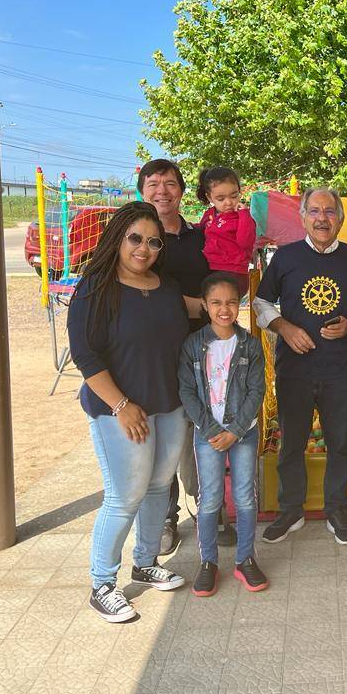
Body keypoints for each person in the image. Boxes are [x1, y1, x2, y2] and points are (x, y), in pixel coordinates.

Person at [67, 201, 189, 623]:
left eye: (154, 242)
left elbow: (193, 316)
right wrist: (121, 405)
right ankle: (102, 584)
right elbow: (86, 357)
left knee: (158, 487)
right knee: (125, 496)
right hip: (118, 410)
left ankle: (146, 562)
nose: (144, 249)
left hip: (169, 405)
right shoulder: (94, 288)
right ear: (117, 238)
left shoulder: (166, 287)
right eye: (135, 238)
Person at [253, 187, 347, 546]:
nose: (322, 218)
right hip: (294, 369)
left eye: (329, 212)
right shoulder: (285, 257)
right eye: (314, 211)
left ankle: (337, 509)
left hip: (338, 368)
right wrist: (284, 327)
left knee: (340, 442)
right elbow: (261, 302)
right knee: (291, 443)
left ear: (340, 219)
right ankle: (290, 510)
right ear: (303, 218)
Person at [178, 272, 267, 597]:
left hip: (244, 433)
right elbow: (187, 392)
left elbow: (257, 391)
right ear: (204, 304)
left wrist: (235, 431)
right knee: (210, 498)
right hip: (208, 434)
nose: (224, 309)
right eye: (216, 302)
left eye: (231, 302)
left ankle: (245, 559)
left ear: (239, 303)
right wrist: (213, 430)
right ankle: (208, 562)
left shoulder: (250, 345)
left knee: (245, 497)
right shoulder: (193, 345)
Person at [137, 158, 210, 555]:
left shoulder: (200, 236)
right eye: (153, 183)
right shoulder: (137, 240)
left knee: (202, 429)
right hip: (157, 350)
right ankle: (165, 517)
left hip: (202, 347)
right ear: (142, 191)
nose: (161, 190)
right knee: (163, 436)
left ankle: (206, 506)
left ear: (181, 191)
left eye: (169, 183)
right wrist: (194, 305)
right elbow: (140, 292)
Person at [196, 166, 257, 289]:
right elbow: (199, 231)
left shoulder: (242, 217)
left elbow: (245, 242)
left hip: (234, 272)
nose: (228, 202)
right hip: (211, 268)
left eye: (234, 196)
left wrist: (244, 215)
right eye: (221, 199)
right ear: (209, 197)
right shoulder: (209, 214)